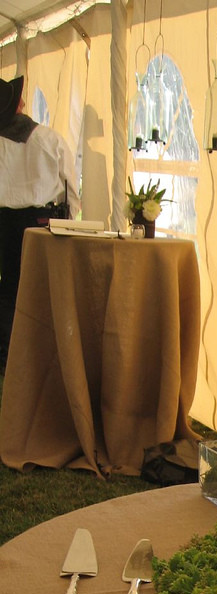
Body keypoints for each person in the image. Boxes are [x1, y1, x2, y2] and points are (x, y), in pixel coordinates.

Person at [0, 75, 81, 373]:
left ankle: (7, 356)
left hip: (6, 223)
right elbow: (70, 189)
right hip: (43, 222)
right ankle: (45, 352)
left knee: (10, 288)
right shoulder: (50, 139)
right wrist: (69, 224)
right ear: (20, 104)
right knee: (46, 288)